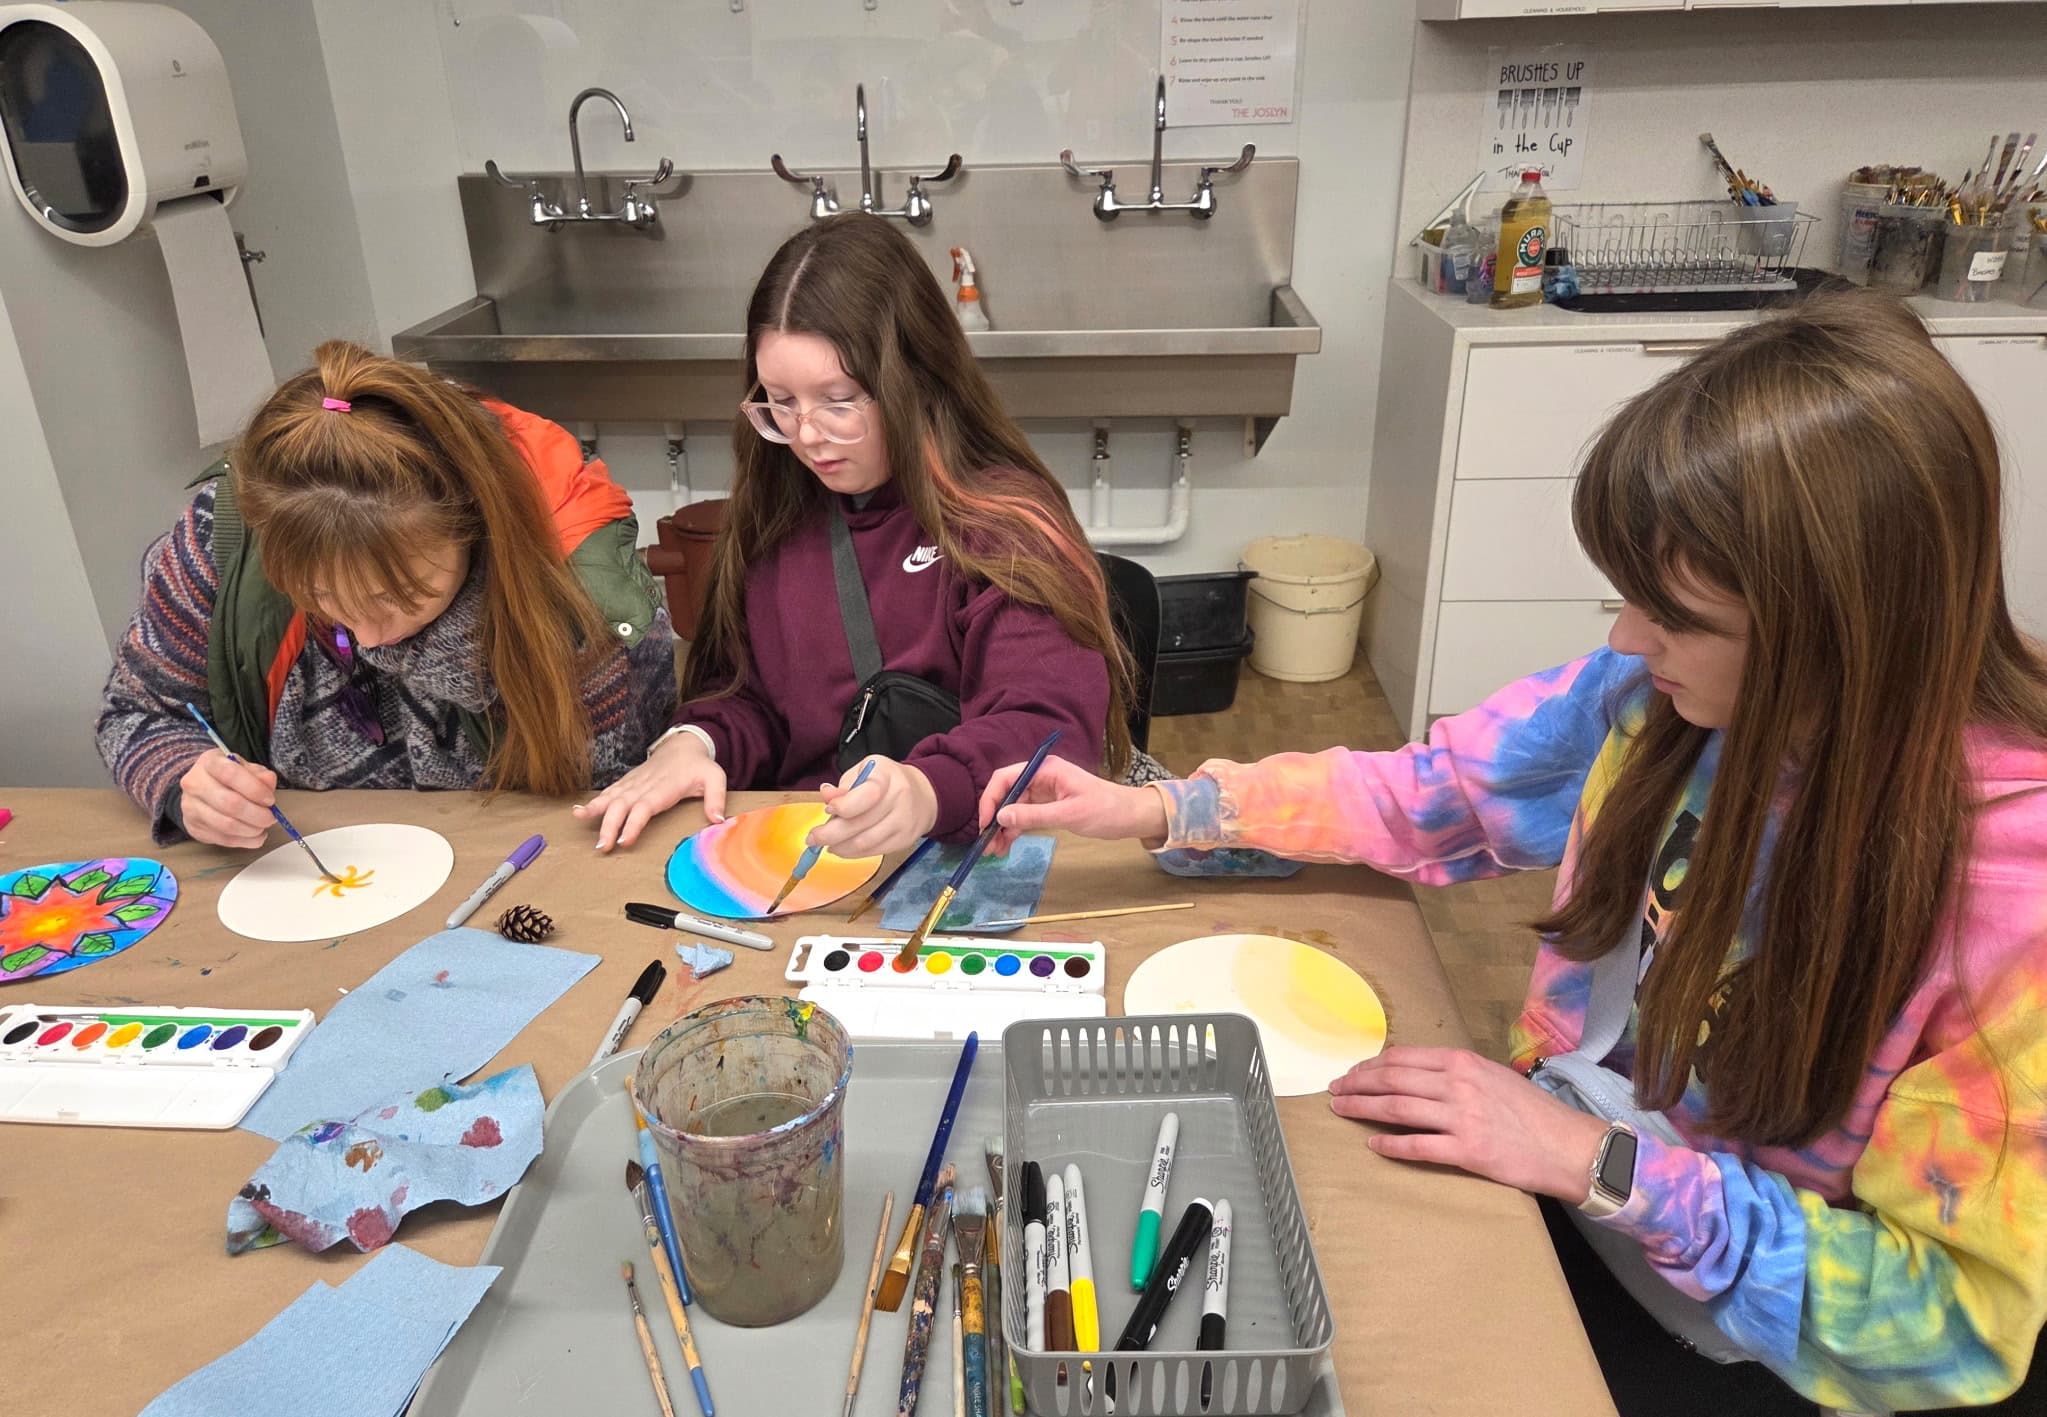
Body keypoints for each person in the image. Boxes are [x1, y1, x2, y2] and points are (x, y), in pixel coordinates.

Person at [975, 292, 2047, 1414]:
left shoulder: (2006, 897)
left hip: (1746, 1336)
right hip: (1571, 1172)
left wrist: (1596, 1162)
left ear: (1838, 627)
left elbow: (1946, 1327)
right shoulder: (1655, 700)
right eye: (1627, 598)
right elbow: (1433, 791)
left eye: (1676, 616)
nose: (1626, 641)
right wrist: (1165, 812)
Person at [577, 212, 1139, 859]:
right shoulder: (776, 514)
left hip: (968, 846)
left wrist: (929, 790)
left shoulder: (1004, 522)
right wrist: (692, 742)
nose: (807, 435)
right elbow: (750, 699)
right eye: (780, 401)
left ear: (915, 380)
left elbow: (1045, 723)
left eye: (839, 398)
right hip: (810, 845)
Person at [98, 340, 675, 847]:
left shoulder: (582, 587)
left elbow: (609, 787)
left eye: (400, 597)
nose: (368, 635)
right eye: (321, 596)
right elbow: (136, 714)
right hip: (301, 877)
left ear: (473, 527)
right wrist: (182, 779)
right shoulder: (222, 542)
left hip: (515, 869)